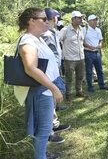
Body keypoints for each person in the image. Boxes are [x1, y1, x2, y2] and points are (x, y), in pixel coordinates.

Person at [17, 7, 64, 159]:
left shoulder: (38, 39)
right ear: (31, 21)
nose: (47, 22)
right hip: (41, 92)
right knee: (43, 130)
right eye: (43, 19)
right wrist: (53, 88)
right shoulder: (28, 41)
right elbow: (30, 68)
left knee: (45, 128)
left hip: (45, 90)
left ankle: (42, 154)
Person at [41, 8, 70, 144]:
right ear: (53, 18)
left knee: (51, 101)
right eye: (56, 17)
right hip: (47, 73)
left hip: (54, 70)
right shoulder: (45, 34)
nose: (57, 19)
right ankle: (49, 132)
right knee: (48, 102)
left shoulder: (52, 32)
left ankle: (54, 125)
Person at [59, 11, 86, 101]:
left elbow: (82, 42)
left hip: (80, 57)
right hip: (69, 58)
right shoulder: (65, 30)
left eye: (81, 18)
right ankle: (68, 94)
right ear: (73, 19)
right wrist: (62, 54)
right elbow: (58, 41)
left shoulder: (81, 29)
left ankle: (79, 91)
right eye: (79, 18)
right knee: (69, 77)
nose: (81, 20)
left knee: (80, 76)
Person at [83, 14, 108, 92]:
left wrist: (100, 44)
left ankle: (102, 85)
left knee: (100, 70)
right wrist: (88, 46)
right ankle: (90, 87)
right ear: (89, 21)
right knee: (89, 71)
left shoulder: (98, 30)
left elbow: (101, 39)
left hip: (97, 52)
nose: (95, 21)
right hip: (88, 52)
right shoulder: (85, 29)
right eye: (93, 20)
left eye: (96, 20)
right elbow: (82, 41)